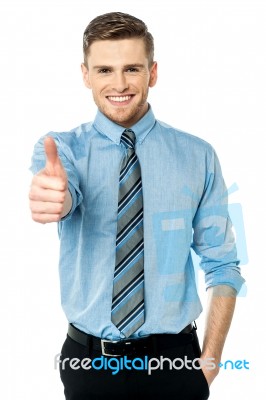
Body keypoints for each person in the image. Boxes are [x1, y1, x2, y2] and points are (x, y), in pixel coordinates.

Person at [29, 11, 245, 400]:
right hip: (88, 364)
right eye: (104, 70)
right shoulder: (63, 152)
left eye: (132, 68)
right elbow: (62, 192)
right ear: (85, 75)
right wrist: (55, 199)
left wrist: (208, 364)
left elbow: (224, 263)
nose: (119, 84)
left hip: (175, 364)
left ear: (153, 73)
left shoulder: (199, 156)